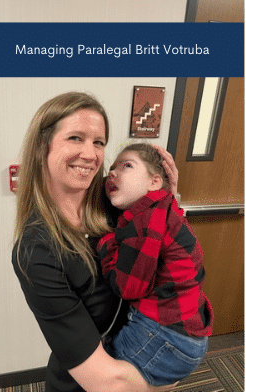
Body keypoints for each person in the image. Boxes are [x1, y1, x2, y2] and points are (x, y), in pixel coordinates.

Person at [11, 92, 178, 392]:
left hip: (141, 361)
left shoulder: (114, 202)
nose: (90, 154)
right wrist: (171, 374)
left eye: (98, 142)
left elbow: (172, 264)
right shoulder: (35, 250)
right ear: (41, 148)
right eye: (76, 138)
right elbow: (105, 383)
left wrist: (165, 201)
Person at [96, 143, 211, 387]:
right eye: (113, 167)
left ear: (155, 181)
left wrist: (105, 243)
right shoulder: (166, 207)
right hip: (190, 336)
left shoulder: (145, 220)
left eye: (127, 165)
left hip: (164, 337)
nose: (113, 173)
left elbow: (128, 288)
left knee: (100, 367)